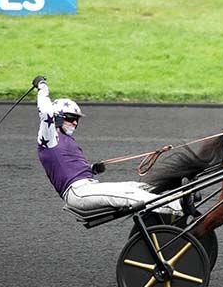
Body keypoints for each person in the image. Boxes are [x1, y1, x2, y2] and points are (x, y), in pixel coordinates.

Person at [34, 75, 182, 216]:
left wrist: (92, 169)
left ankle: (180, 195)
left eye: (77, 120)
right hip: (77, 192)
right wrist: (42, 86)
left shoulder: (67, 140)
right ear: (58, 117)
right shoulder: (49, 137)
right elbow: (46, 113)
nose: (75, 123)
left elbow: (67, 166)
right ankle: (178, 207)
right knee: (131, 195)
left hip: (88, 186)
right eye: (72, 118)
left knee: (140, 187)